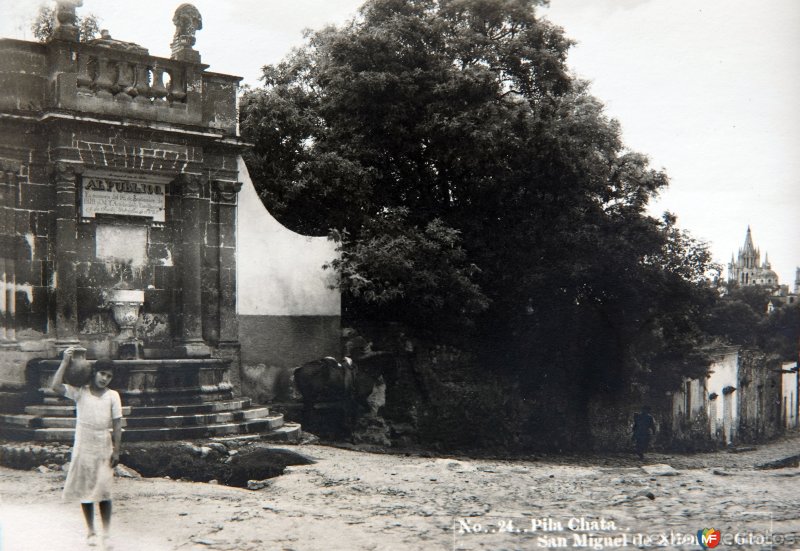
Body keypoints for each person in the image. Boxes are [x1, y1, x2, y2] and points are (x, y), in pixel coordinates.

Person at [51, 349, 123, 548]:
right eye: (102, 374)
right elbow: (55, 386)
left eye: (109, 376)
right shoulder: (80, 391)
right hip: (84, 444)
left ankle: (106, 534)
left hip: (103, 445)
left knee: (104, 491)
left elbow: (117, 425)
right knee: (86, 490)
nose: (105, 379)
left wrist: (116, 450)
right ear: (94, 372)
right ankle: (91, 531)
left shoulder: (113, 396)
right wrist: (65, 361)